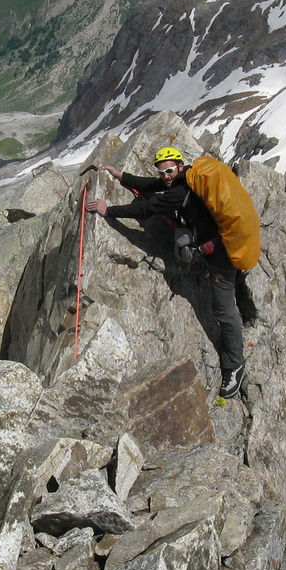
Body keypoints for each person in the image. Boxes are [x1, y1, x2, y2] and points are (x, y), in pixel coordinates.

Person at [84, 147, 246, 399]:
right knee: (181, 236)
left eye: (169, 170)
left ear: (180, 166)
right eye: (162, 172)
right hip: (215, 237)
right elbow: (153, 185)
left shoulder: (180, 192)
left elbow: (146, 209)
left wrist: (109, 211)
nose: (166, 176)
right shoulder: (189, 177)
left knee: (223, 312)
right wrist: (121, 176)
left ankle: (234, 365)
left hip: (222, 253)